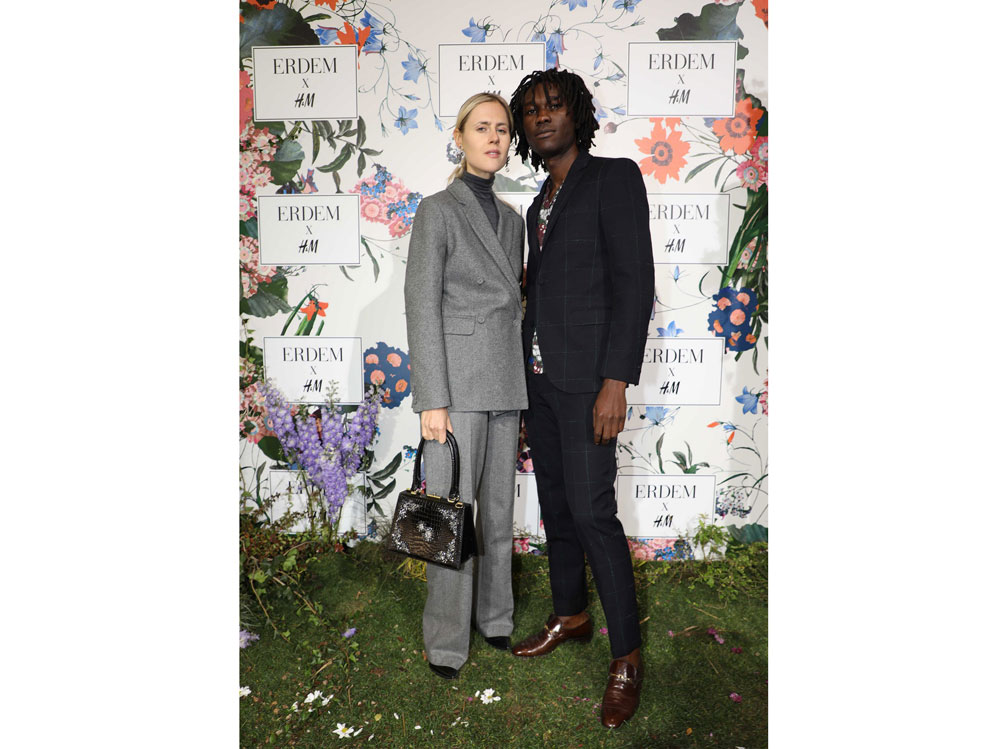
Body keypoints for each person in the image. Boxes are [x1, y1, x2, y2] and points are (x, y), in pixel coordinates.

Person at [507, 69, 655, 728]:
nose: (541, 116)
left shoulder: (613, 178)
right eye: (530, 110)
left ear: (578, 115)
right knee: (558, 507)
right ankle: (570, 614)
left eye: (554, 106)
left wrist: (615, 381)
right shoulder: (539, 201)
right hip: (540, 382)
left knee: (595, 514)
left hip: (590, 383)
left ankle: (626, 657)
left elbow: (634, 282)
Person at [404, 92, 528, 680]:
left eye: (502, 129)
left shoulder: (513, 220)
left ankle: (495, 617)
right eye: (482, 128)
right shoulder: (437, 210)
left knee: (498, 511)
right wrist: (432, 398)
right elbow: (421, 304)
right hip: (455, 386)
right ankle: (446, 641)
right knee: (449, 516)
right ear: (459, 138)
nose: (494, 138)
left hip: (505, 379)